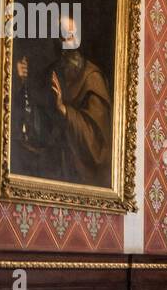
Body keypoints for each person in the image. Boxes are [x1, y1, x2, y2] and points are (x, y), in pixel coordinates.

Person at [14, 14, 112, 187]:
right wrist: (20, 81)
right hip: (53, 167)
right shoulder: (51, 73)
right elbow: (35, 120)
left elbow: (97, 142)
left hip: (81, 172)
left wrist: (64, 110)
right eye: (65, 33)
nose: (70, 39)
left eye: (74, 33)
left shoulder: (93, 78)